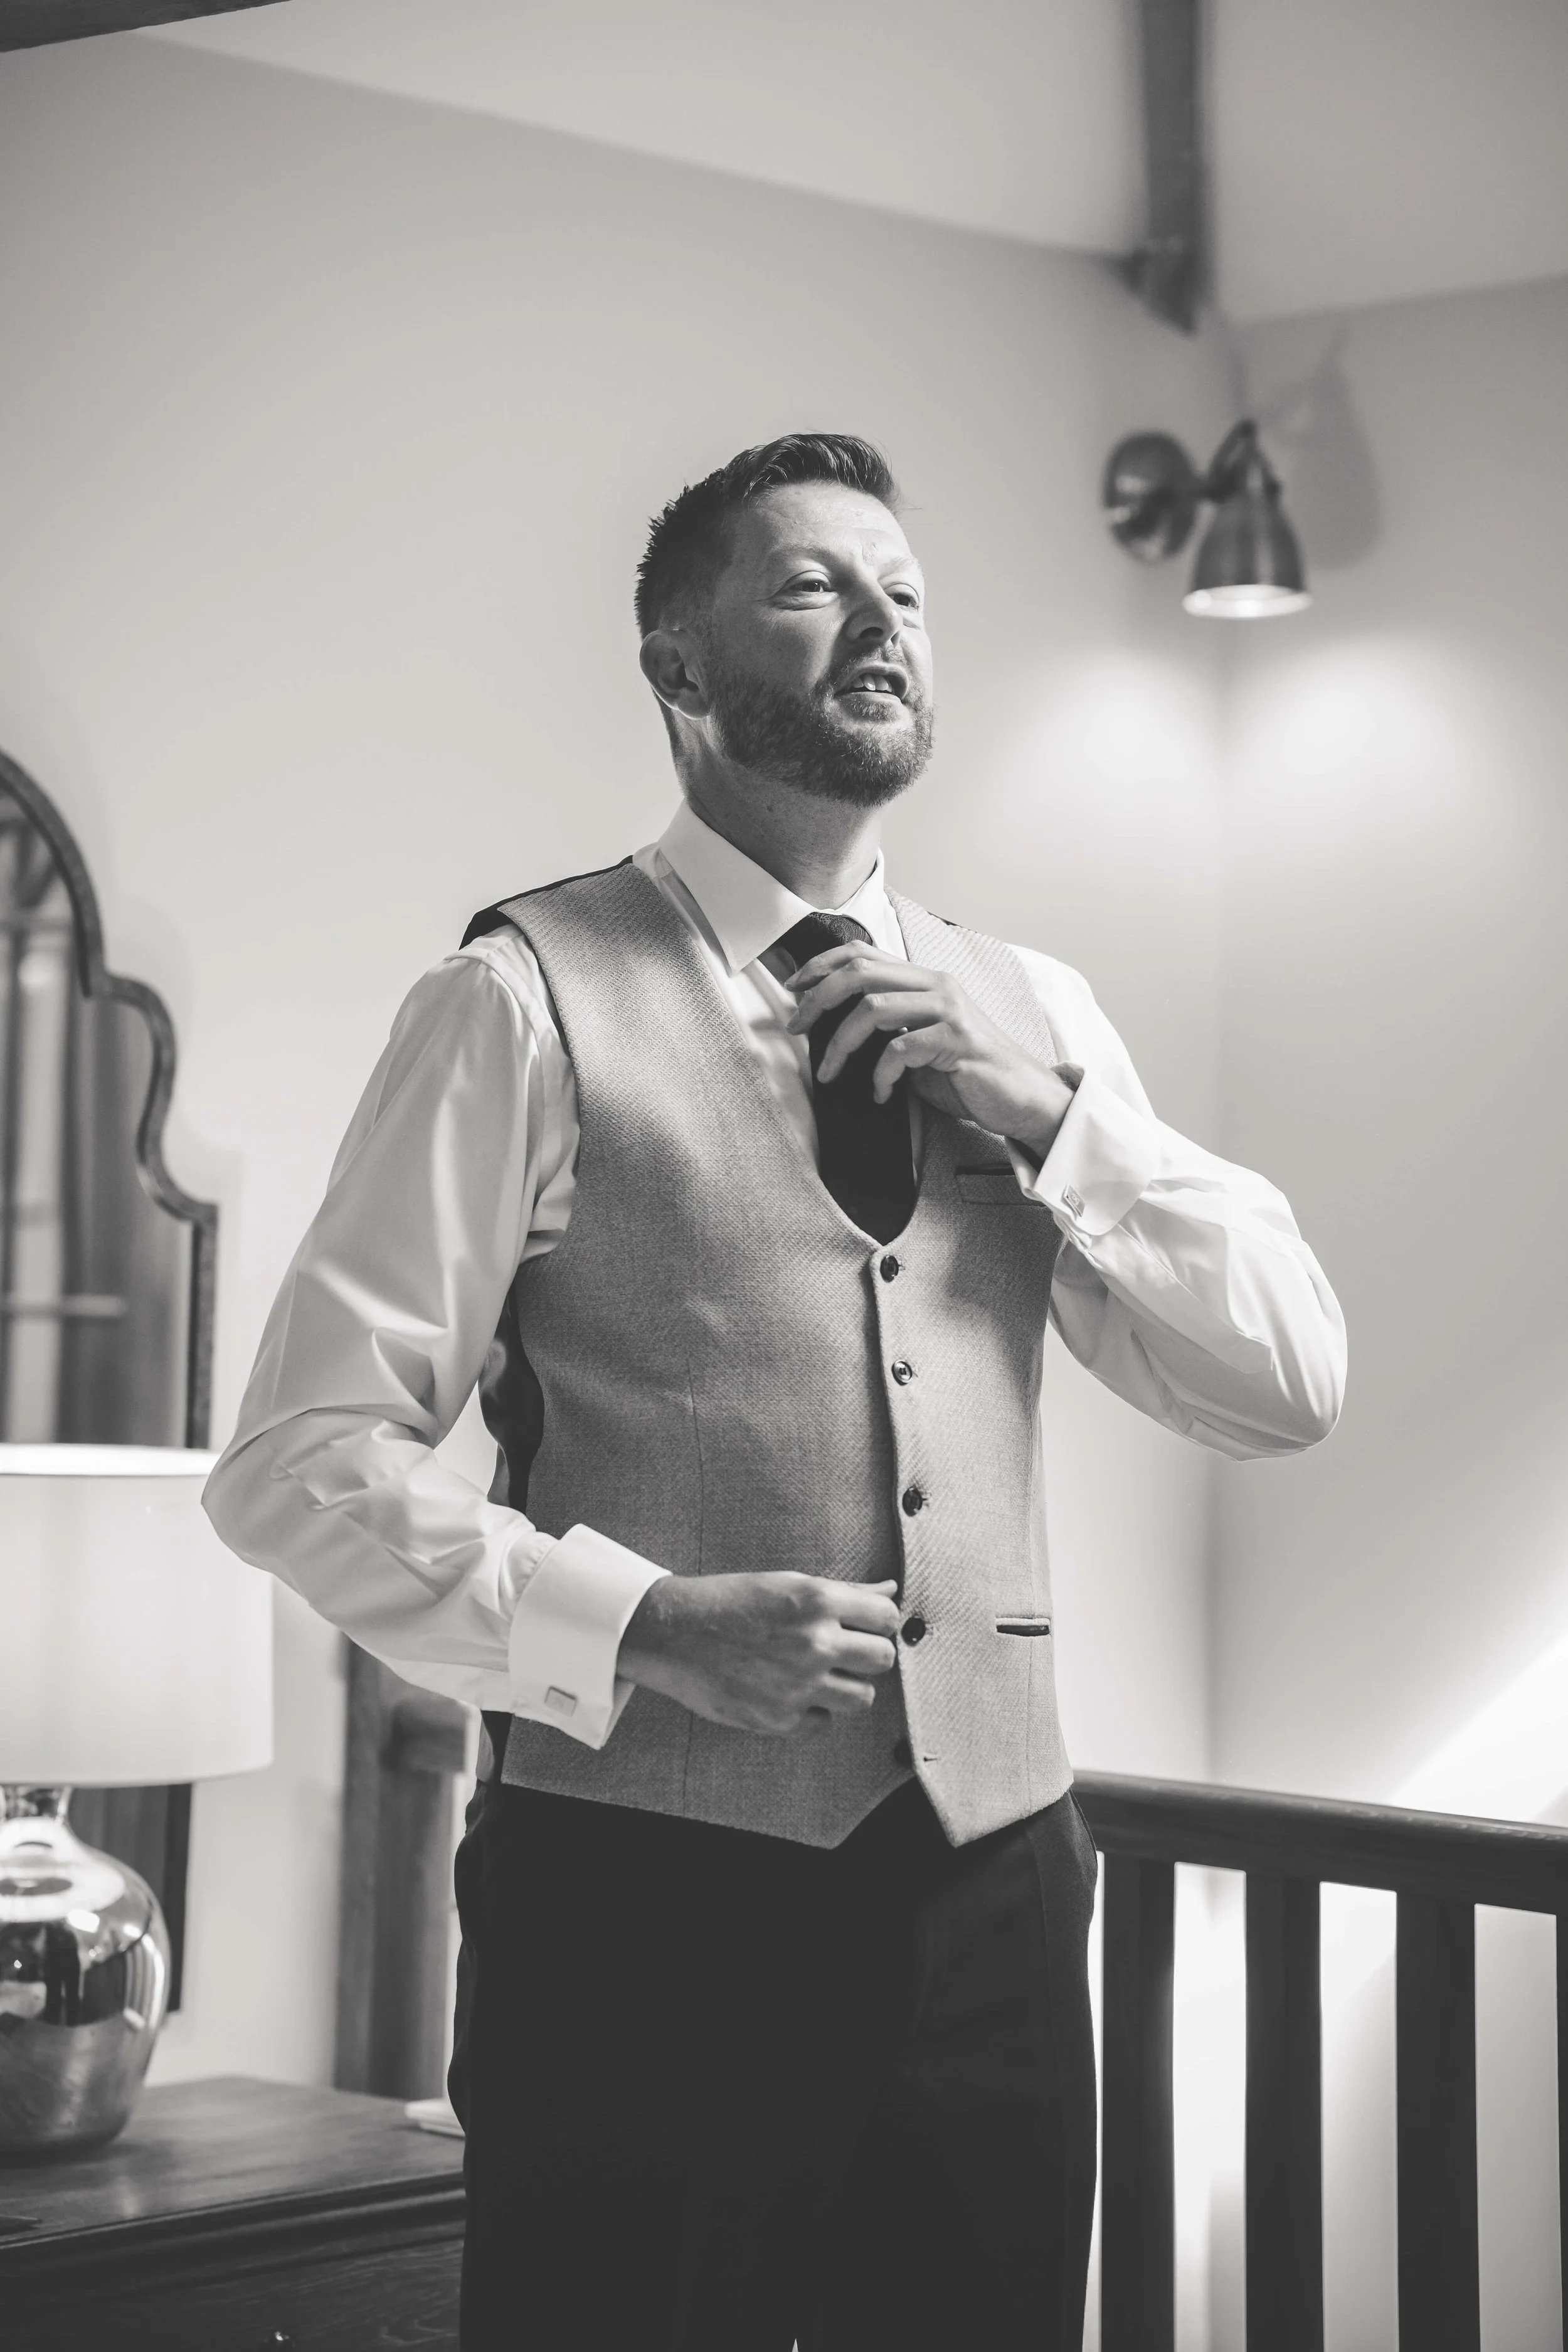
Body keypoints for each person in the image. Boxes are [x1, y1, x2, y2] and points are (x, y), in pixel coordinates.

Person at [204, 432, 1345, 2350]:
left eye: (904, 588)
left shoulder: (1034, 1011)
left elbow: (1285, 1377)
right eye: (812, 584)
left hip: (993, 1895)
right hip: (639, 1910)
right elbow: (296, 1461)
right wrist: (635, 1623)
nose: (882, 618)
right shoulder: (520, 999)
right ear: (679, 671)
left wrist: (1056, 1120)